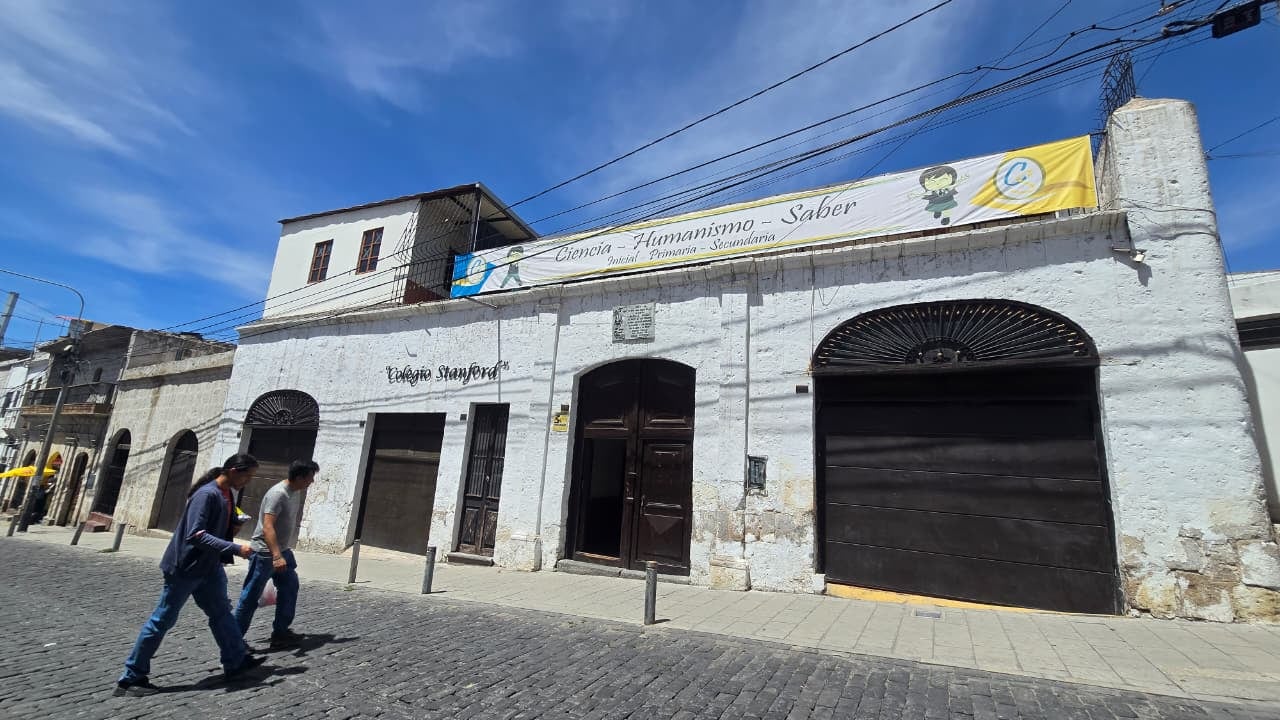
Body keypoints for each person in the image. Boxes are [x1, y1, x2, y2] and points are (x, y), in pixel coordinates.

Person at [114, 453, 267, 696]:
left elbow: (215, 528)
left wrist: (232, 527)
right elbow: (195, 535)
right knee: (162, 619)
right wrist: (236, 548)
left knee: (221, 613)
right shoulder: (207, 494)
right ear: (235, 471)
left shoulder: (227, 494)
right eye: (248, 475)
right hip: (186, 567)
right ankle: (132, 677)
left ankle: (236, 660)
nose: (249, 481)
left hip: (210, 568)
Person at [234, 459, 317, 648]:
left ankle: (280, 633)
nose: (311, 482)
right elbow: (268, 527)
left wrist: (282, 553)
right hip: (265, 554)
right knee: (250, 597)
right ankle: (234, 639)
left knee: (289, 587)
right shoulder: (278, 494)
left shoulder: (294, 492)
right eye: (310, 478)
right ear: (299, 477)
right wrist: (276, 556)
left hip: (283, 551)